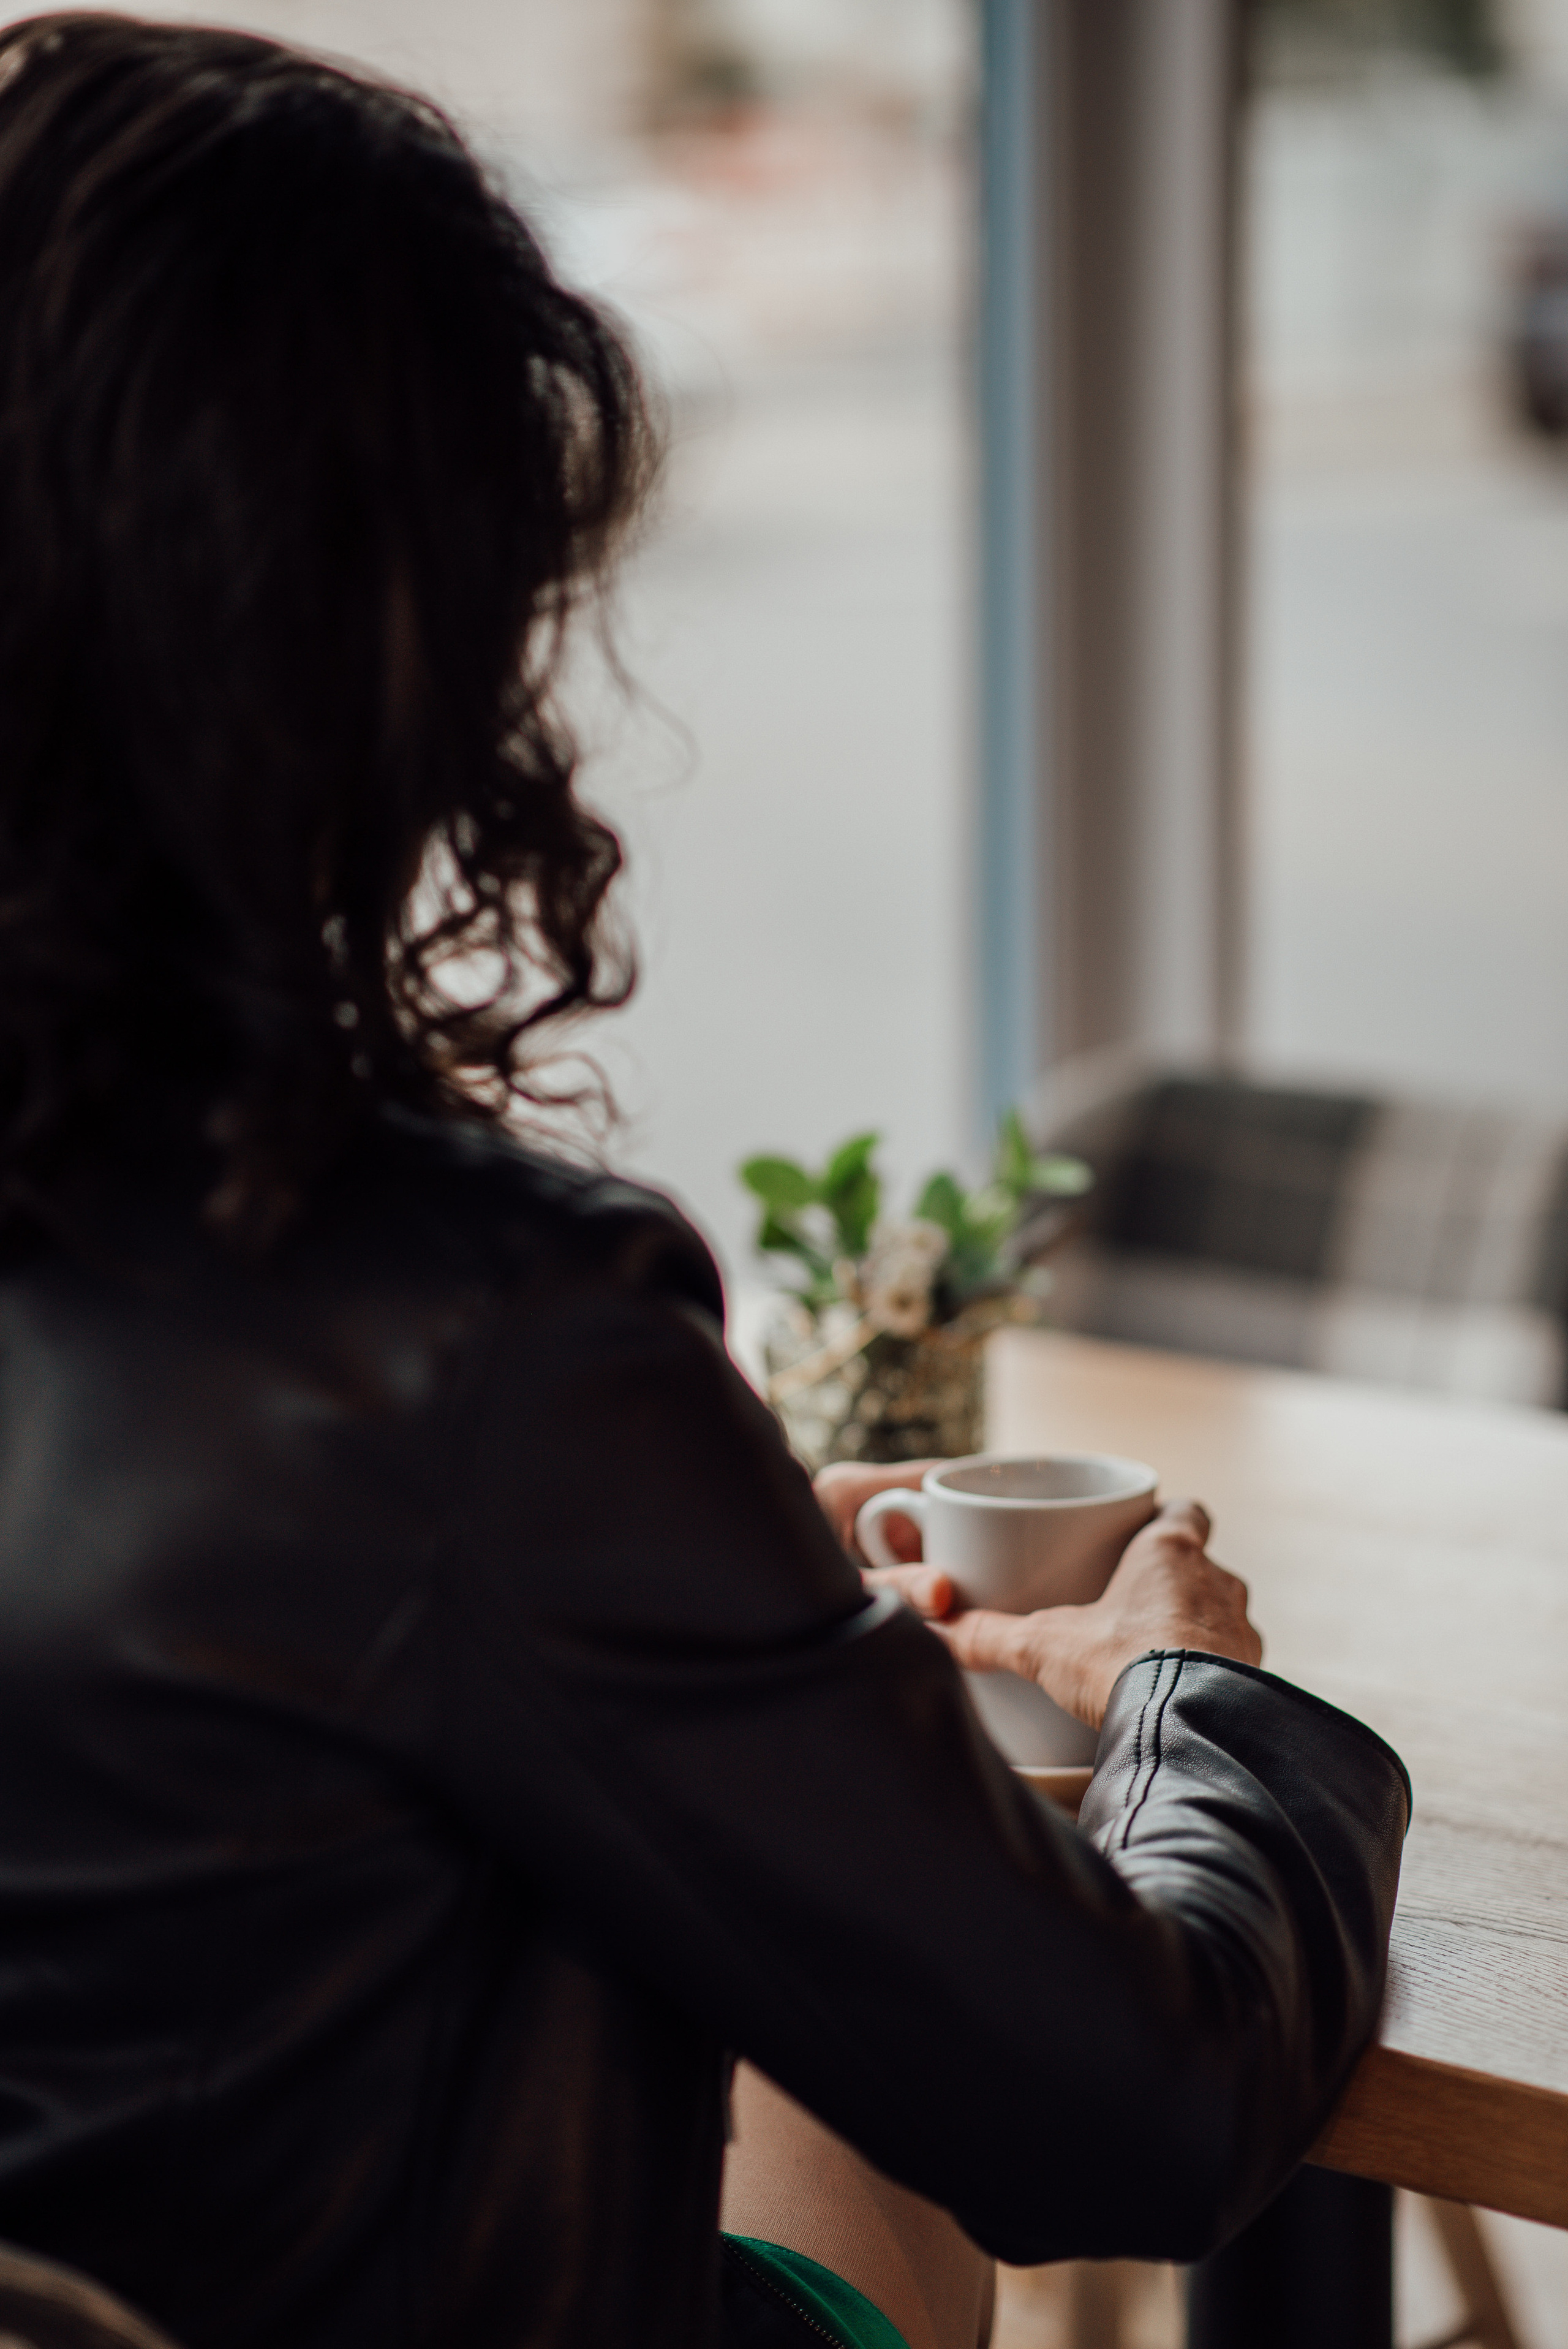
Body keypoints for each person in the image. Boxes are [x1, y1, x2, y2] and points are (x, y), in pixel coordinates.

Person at [0, 17, 1409, 2349]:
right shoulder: (478, 1336)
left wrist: (706, 1565)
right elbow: (1131, 2116)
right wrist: (1196, 1693)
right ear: (387, 641)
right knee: (883, 2104)